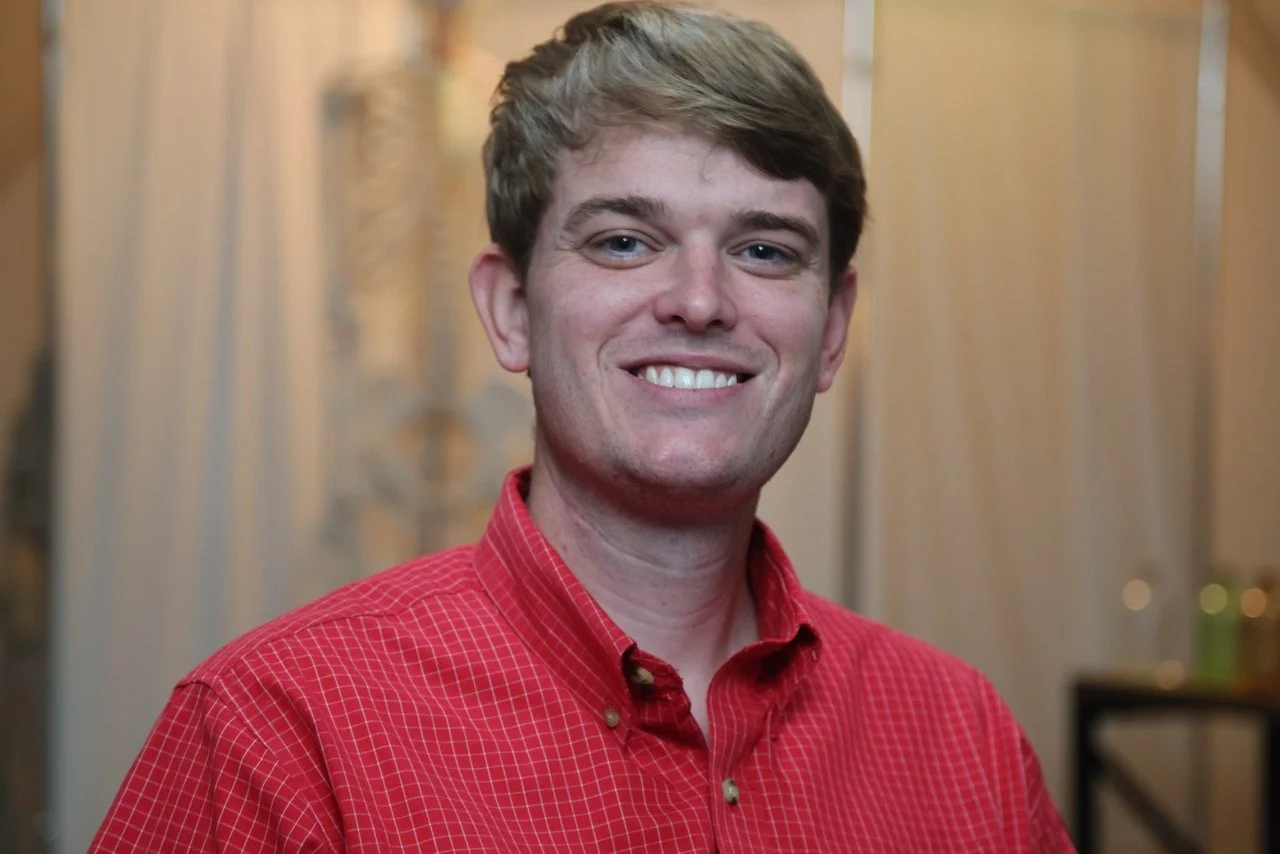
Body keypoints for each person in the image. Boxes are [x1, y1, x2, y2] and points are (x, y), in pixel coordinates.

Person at [92, 2, 1074, 851]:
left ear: (829, 330)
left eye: (764, 248)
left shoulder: (961, 742)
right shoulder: (281, 732)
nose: (698, 299)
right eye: (622, 240)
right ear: (511, 309)